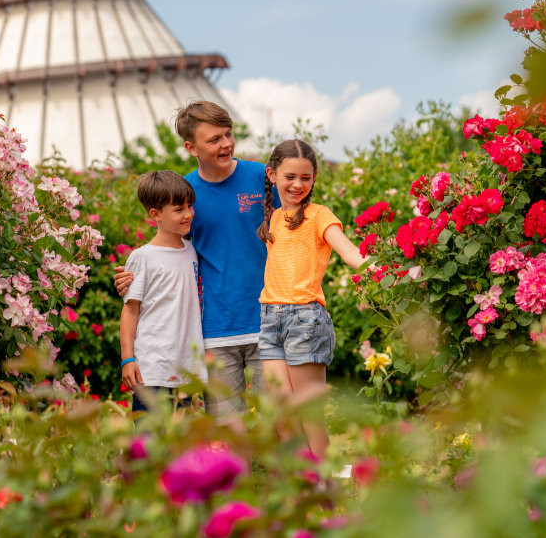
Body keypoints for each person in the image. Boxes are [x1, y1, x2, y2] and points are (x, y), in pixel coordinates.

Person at [116, 101, 268, 415]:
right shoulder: (186, 192)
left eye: (228, 134)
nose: (226, 144)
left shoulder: (261, 177)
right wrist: (134, 275)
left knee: (279, 422)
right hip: (215, 330)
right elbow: (168, 246)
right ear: (191, 147)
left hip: (270, 321)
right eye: (214, 139)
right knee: (225, 429)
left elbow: (296, 227)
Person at [257, 139, 366, 459]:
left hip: (305, 319)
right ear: (272, 175)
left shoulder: (319, 215)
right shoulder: (273, 218)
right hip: (269, 318)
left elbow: (349, 252)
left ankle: (325, 492)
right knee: (283, 416)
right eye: (290, 176)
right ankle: (299, 493)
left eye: (306, 177)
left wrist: (385, 272)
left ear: (315, 177)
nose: (298, 184)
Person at [119, 170, 207, 412]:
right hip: (152, 370)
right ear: (155, 215)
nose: (188, 214)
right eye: (179, 209)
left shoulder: (192, 251)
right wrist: (128, 359)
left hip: (185, 370)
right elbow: (130, 311)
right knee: (150, 444)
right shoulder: (142, 257)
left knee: (179, 445)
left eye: (190, 206)